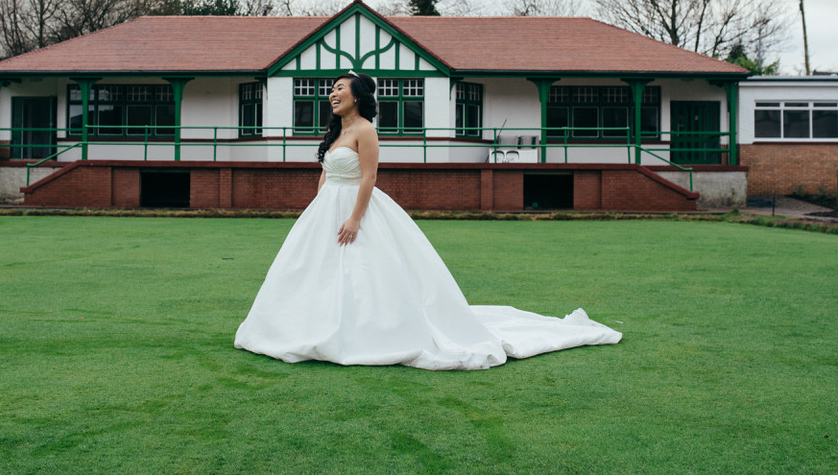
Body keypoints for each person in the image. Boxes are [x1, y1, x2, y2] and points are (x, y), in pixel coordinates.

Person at [234, 71, 621, 370]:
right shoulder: (337, 132)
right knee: (313, 272)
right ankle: (305, 325)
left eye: (339, 88)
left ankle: (368, 331)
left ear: (358, 96)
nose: (332, 94)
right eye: (330, 89)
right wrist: (318, 209)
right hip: (324, 210)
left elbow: (368, 177)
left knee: (366, 272)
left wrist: (354, 218)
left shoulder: (366, 130)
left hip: (356, 209)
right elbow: (327, 174)